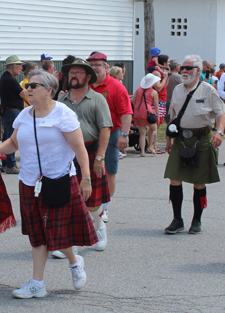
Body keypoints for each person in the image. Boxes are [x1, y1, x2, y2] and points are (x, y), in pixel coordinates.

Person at [0, 69, 96, 298]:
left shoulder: (63, 114)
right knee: (37, 234)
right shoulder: (24, 115)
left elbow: (79, 148)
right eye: (27, 86)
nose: (28, 90)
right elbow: (14, 142)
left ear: (49, 90)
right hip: (28, 182)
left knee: (56, 234)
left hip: (57, 181)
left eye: (33, 86)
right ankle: (38, 283)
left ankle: (75, 263)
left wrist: (85, 179)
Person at [164, 55, 225, 234]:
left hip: (202, 139)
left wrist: (219, 132)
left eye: (188, 68)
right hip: (181, 139)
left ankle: (197, 220)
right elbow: (174, 116)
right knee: (174, 178)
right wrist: (169, 138)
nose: (184, 71)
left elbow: (221, 114)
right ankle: (177, 220)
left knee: (199, 182)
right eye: (182, 68)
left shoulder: (208, 90)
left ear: (198, 71)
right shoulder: (177, 89)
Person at [58, 58, 113, 253]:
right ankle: (66, 242)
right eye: (71, 73)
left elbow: (105, 129)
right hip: (66, 157)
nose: (73, 76)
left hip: (91, 154)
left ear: (88, 77)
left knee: (92, 202)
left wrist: (100, 158)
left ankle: (99, 227)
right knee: (66, 200)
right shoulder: (60, 101)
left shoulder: (98, 99)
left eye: (78, 73)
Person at [88, 52, 133, 222]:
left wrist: (124, 134)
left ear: (106, 67)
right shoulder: (84, 84)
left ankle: (104, 206)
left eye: (98, 64)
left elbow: (126, 113)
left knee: (109, 172)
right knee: (87, 170)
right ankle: (89, 204)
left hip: (112, 133)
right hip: (88, 135)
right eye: (91, 65)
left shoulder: (116, 87)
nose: (94, 68)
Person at [0, 55, 27, 174]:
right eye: (19, 65)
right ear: (12, 66)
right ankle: (11, 164)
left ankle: (6, 163)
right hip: (12, 112)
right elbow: (23, 94)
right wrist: (30, 89)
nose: (21, 68)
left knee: (7, 137)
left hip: (8, 112)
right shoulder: (10, 79)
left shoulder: (5, 78)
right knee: (12, 138)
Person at [133, 74, 160, 156]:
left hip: (137, 112)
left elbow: (134, 101)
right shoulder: (154, 92)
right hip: (148, 112)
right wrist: (158, 116)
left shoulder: (138, 90)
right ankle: (151, 146)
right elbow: (156, 106)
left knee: (142, 133)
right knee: (154, 128)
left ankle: (142, 152)